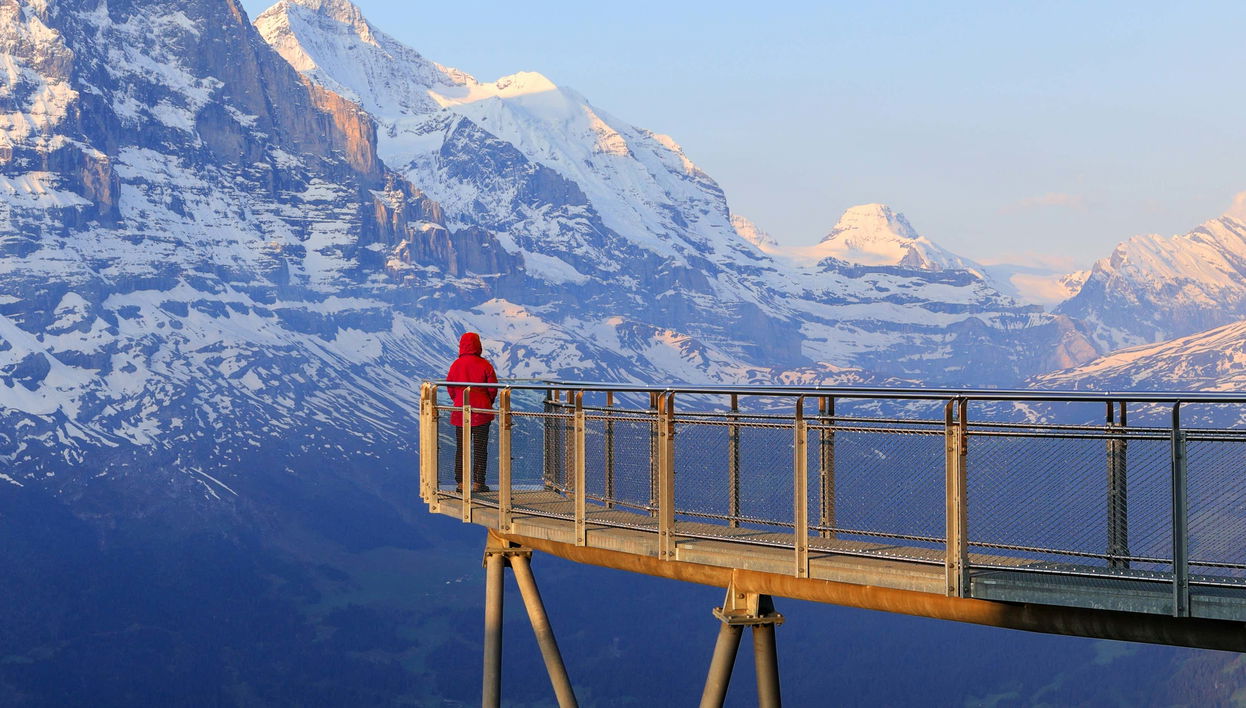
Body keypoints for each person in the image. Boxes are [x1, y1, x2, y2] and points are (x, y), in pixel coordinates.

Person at [446, 332, 498, 493]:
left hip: (460, 411)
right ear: (478, 345)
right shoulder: (485, 364)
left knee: (461, 448)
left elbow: (450, 387)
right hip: (481, 412)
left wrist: (459, 400)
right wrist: (487, 401)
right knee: (480, 448)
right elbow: (492, 388)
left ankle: (461, 483)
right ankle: (478, 483)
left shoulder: (456, 364)